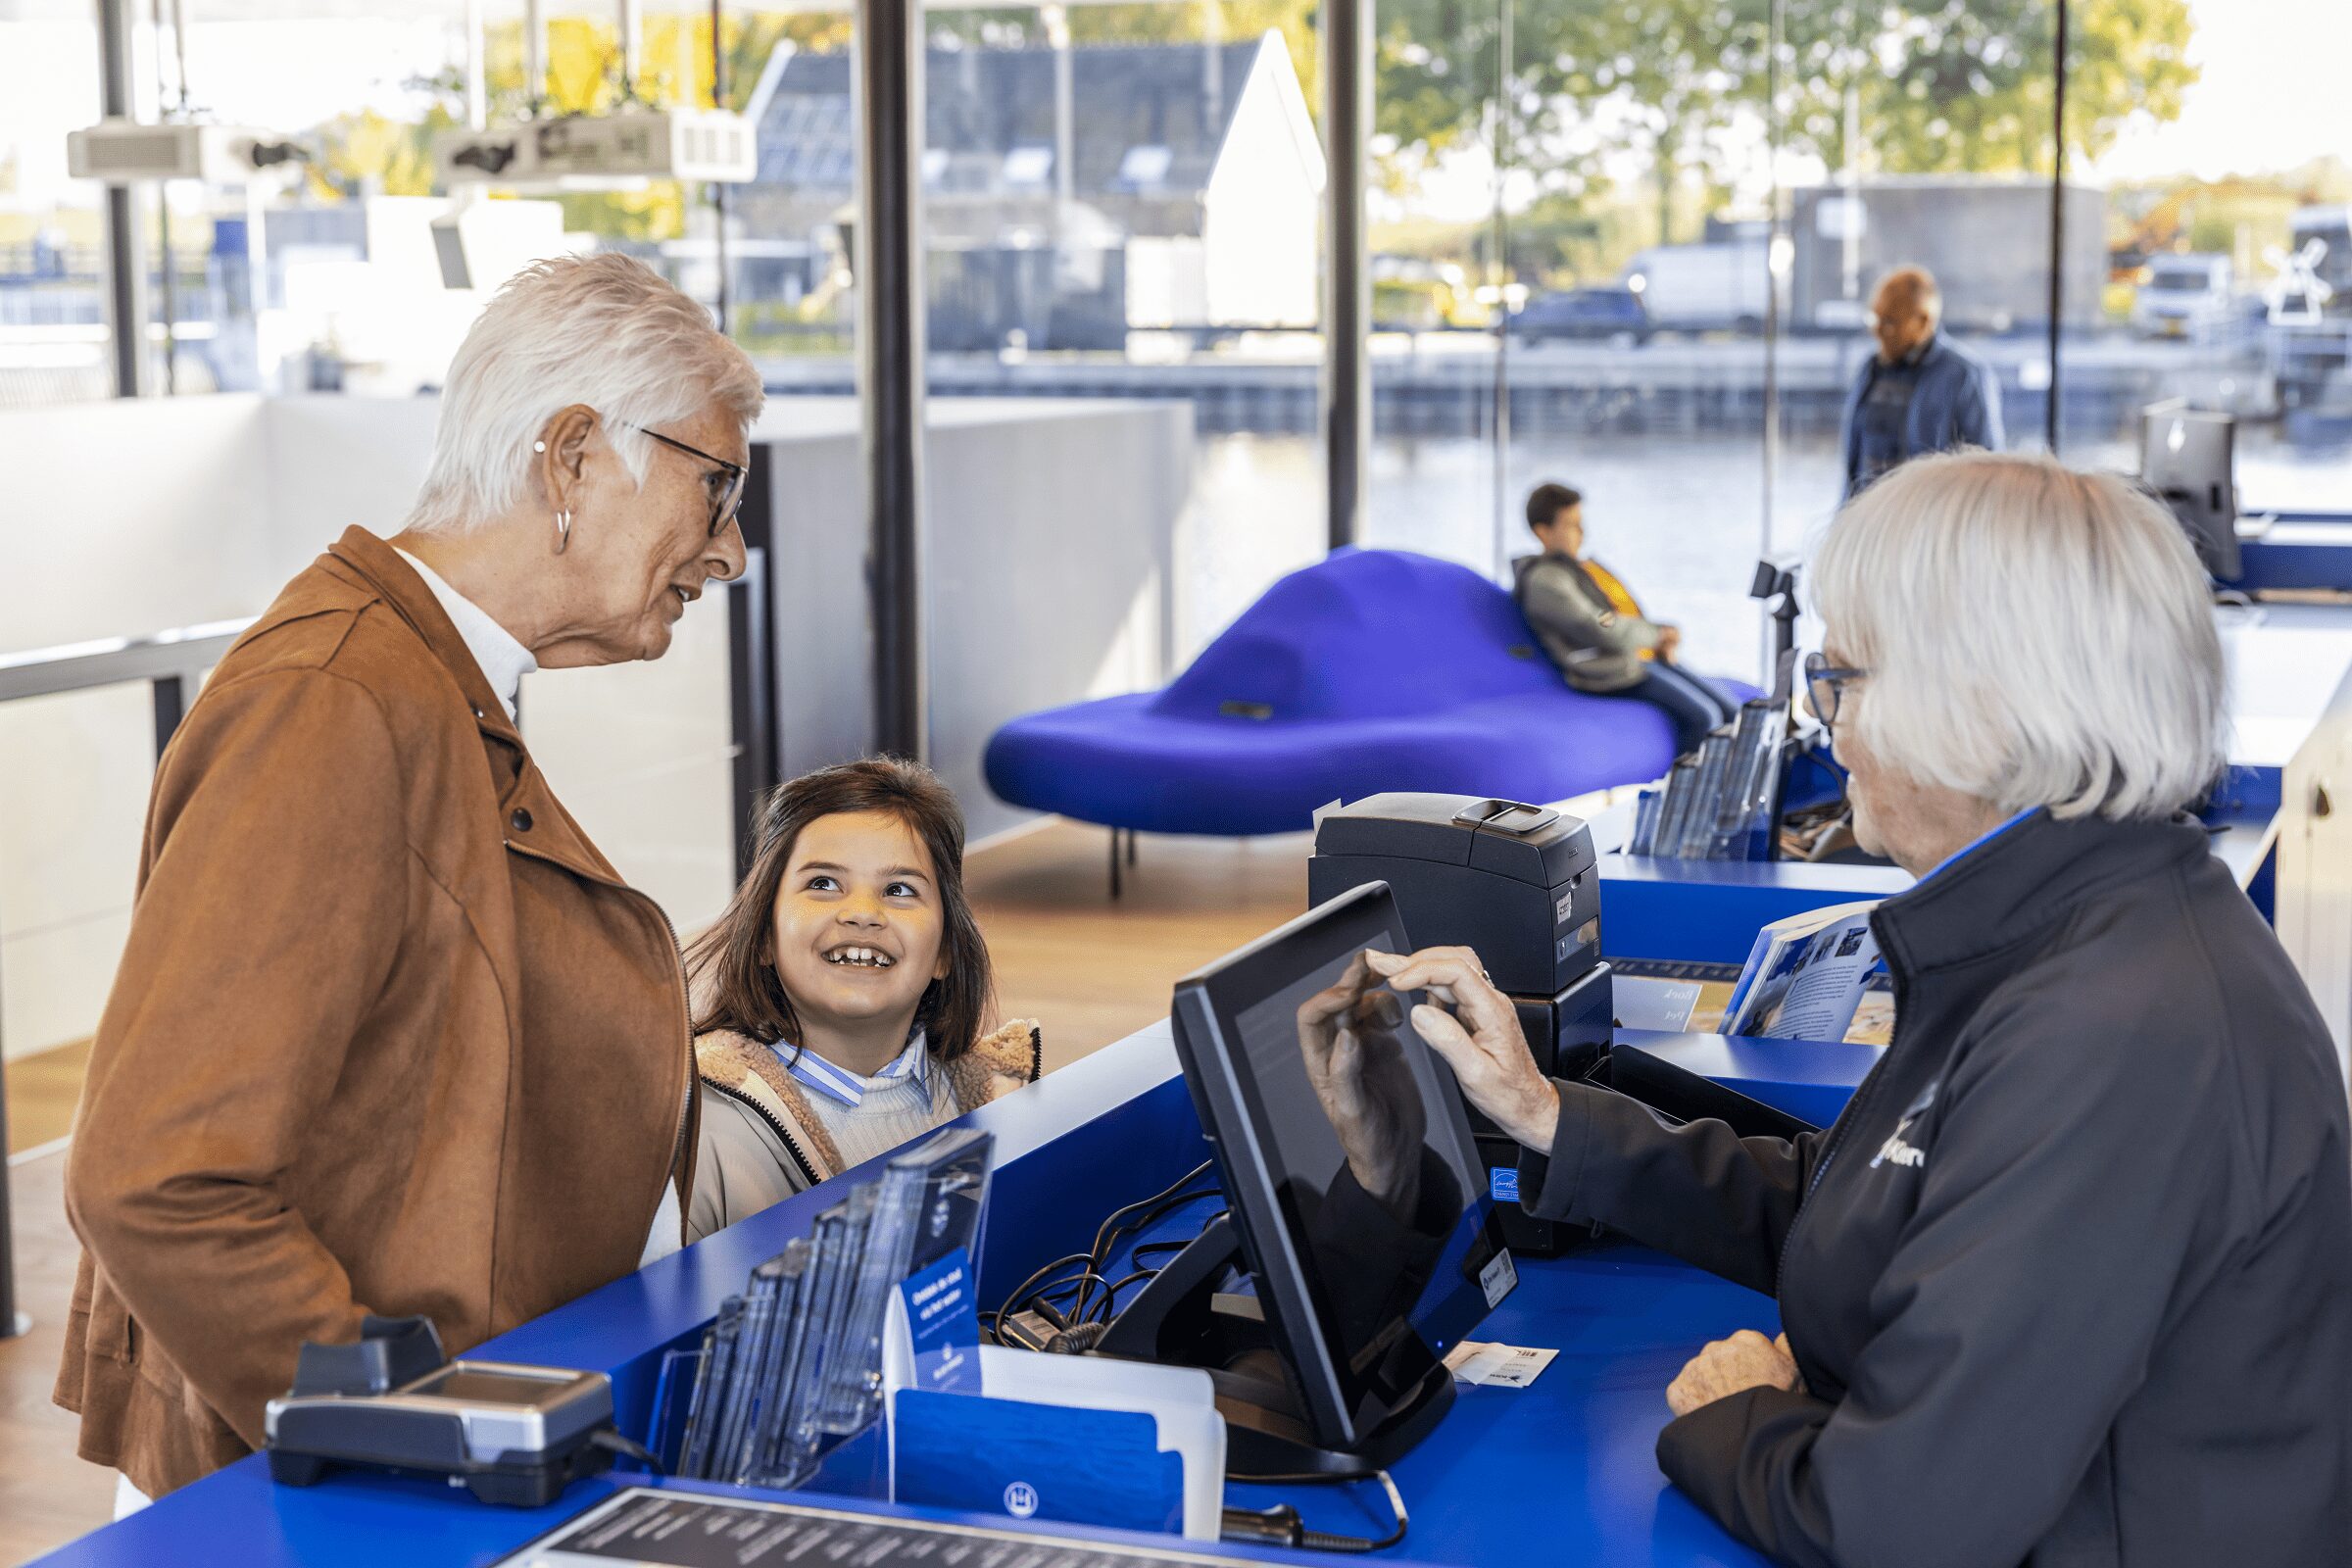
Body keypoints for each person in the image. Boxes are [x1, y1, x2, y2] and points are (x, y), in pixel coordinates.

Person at [1377, 452, 2352, 1565]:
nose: (1826, 723)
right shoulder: (2072, 931)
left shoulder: (2118, 1032)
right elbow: (1874, 1211)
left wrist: (1740, 1412)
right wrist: (1547, 1111)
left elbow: (1900, 1518)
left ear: (1981, 707)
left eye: (1841, 678)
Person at [55, 254, 762, 1509]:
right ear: (573, 458)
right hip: (328, 1495)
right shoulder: (335, 702)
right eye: (716, 488)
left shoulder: (423, 677)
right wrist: (416, 1429)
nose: (733, 551)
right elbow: (153, 1174)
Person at [685, 758, 1042, 1241]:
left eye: (899, 890)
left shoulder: (1003, 1095)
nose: (861, 913)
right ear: (765, 936)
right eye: (823, 884)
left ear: (945, 952)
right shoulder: (697, 1131)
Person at [1513, 482, 1740, 755]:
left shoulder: (1574, 569)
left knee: (1732, 711)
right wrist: (1656, 634)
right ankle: (1684, 795)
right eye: (1571, 525)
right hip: (1606, 672)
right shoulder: (1546, 581)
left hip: (1634, 657)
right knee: (1704, 718)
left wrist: (1656, 636)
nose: (1582, 533)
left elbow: (1611, 617)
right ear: (1543, 532)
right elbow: (1599, 623)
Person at [1839, 266, 2004, 499]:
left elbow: (1988, 472)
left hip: (1926, 529)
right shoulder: (1871, 369)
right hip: (1869, 526)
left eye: (1890, 322)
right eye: (1875, 319)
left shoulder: (1964, 376)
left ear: (1923, 321)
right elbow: (1853, 466)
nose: (1878, 331)